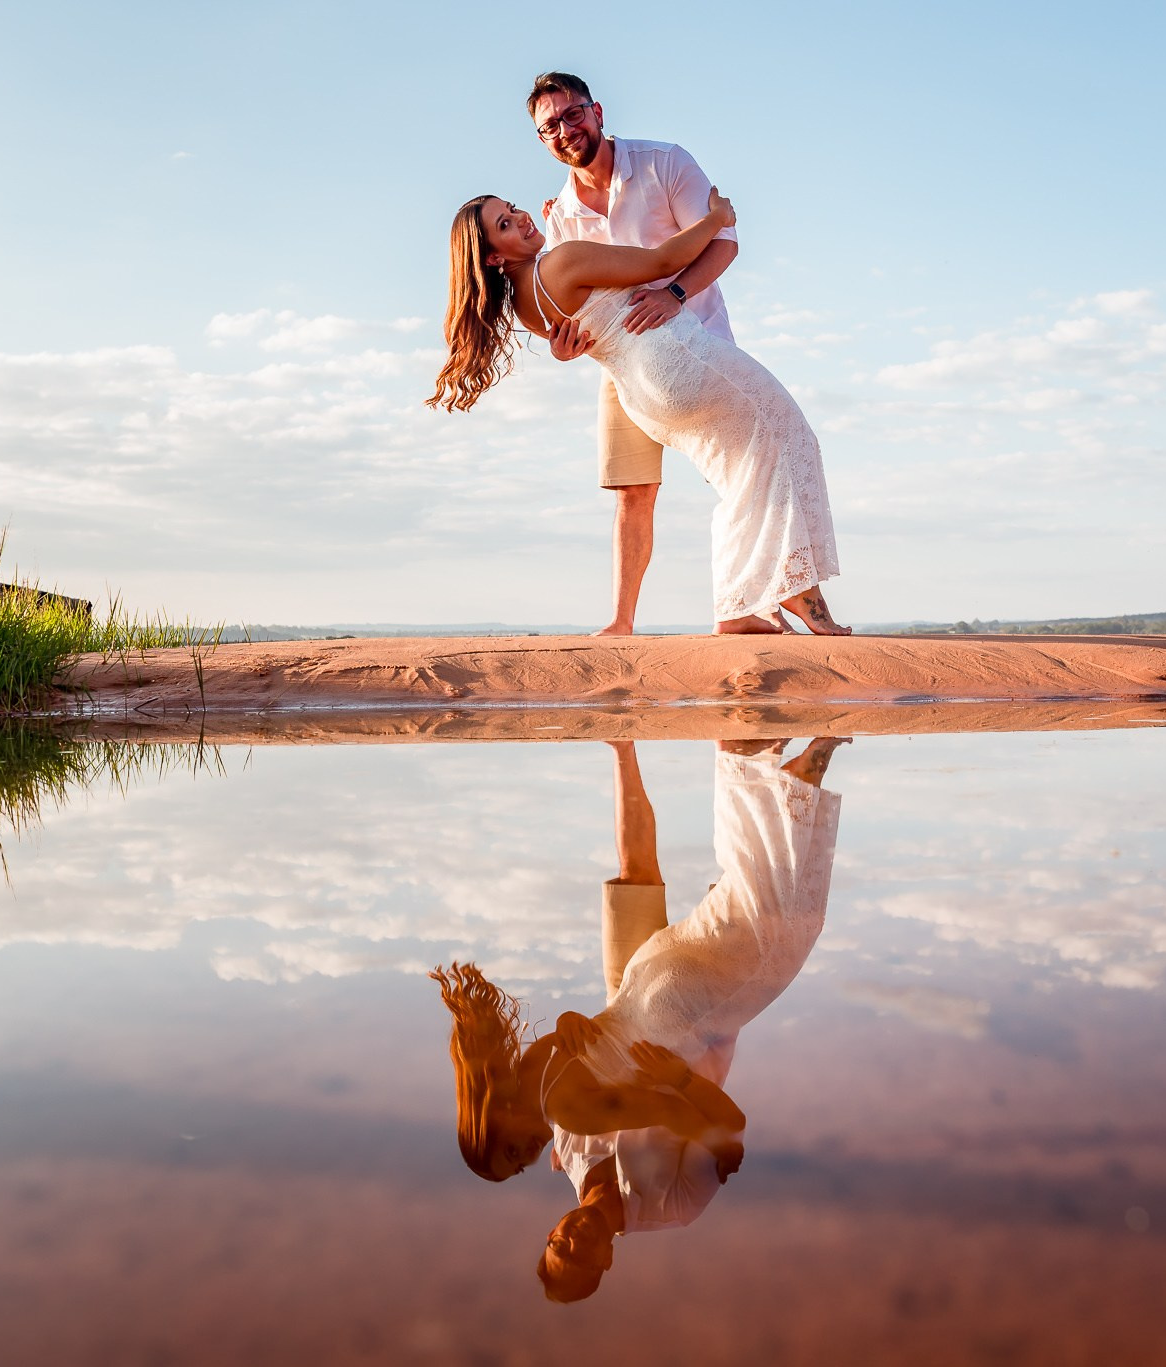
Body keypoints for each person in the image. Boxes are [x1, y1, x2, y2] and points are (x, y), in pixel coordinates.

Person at [427, 733, 849, 1302]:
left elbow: (698, 1119)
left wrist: (711, 1131)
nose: (574, 1241)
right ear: (604, 1262)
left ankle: (776, 765)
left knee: (781, 926)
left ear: (551, 1233)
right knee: (749, 906)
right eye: (581, 1257)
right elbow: (573, 1055)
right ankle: (749, 756)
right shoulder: (661, 1200)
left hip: (663, 1006)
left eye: (558, 1246)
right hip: (651, 998)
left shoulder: (568, 1132)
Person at [429, 189, 850, 635]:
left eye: (512, 209)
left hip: (643, 396)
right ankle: (794, 590)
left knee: (743, 473)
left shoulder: (523, 302)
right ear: (494, 259)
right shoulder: (562, 261)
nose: (521, 218)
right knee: (791, 435)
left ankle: (738, 607)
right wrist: (717, 219)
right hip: (678, 357)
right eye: (505, 225)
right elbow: (663, 262)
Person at [525, 72, 740, 638]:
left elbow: (724, 241)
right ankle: (621, 622)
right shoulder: (560, 216)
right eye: (550, 126)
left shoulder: (664, 162)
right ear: (542, 140)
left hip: (700, 342)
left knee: (736, 480)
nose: (565, 130)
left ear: (596, 111)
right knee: (632, 490)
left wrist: (673, 294)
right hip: (624, 367)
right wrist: (563, 347)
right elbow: (570, 309)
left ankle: (747, 610)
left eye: (572, 114)